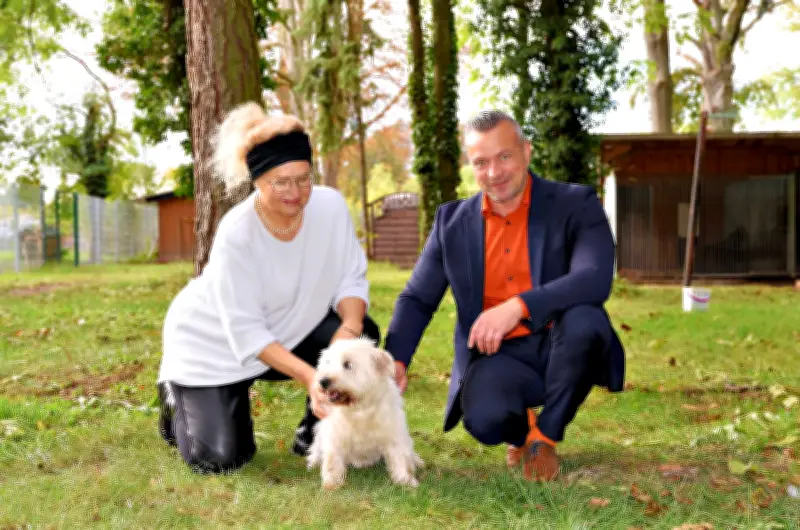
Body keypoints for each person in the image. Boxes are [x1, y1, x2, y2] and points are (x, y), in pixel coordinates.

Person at [383, 110, 625, 482]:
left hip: (564, 344)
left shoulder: (575, 203)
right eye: (481, 162)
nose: (494, 172)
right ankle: (523, 432)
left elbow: (593, 278)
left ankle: (545, 438)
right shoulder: (451, 223)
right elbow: (417, 298)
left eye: (504, 156)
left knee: (586, 320)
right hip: (499, 355)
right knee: (484, 419)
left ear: (527, 152)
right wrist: (396, 359)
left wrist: (519, 306)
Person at [155, 102, 379, 474]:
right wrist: (311, 378)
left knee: (362, 336)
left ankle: (317, 434)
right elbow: (247, 333)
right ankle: (174, 397)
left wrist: (349, 328)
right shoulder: (237, 233)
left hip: (289, 330)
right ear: (256, 180)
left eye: (303, 178)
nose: (296, 192)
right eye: (281, 182)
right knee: (221, 459)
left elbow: (351, 278)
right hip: (213, 346)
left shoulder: (330, 207)